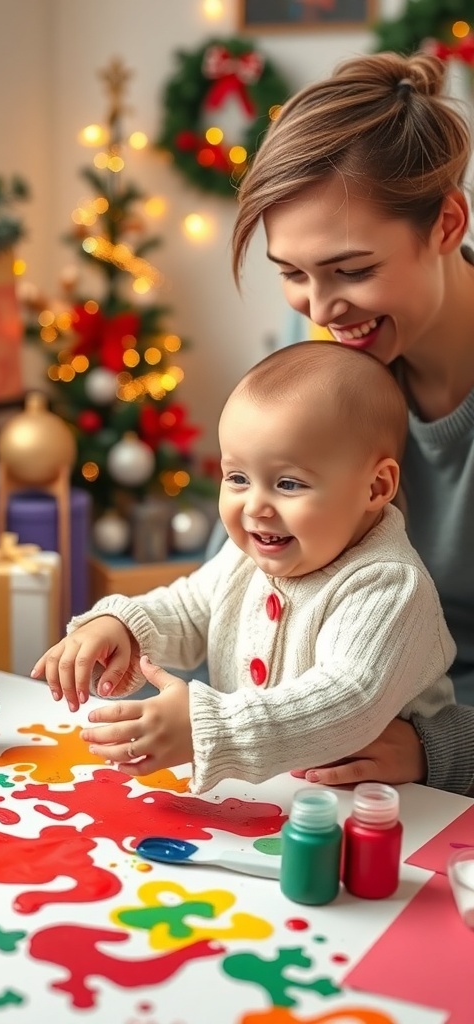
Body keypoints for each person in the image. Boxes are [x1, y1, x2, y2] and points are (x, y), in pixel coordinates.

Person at [31, 342, 456, 794]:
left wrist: (209, 728)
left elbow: (347, 697)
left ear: (376, 486)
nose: (255, 506)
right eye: (237, 477)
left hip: (401, 809)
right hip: (278, 797)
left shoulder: (389, 583)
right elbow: (189, 608)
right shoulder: (246, 557)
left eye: (288, 483)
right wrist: (123, 628)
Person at [225, 49, 474, 796]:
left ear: (446, 223)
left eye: (353, 271)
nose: (322, 310)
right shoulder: (321, 360)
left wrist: (438, 750)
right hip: (308, 750)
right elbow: (239, 577)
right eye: (292, 273)